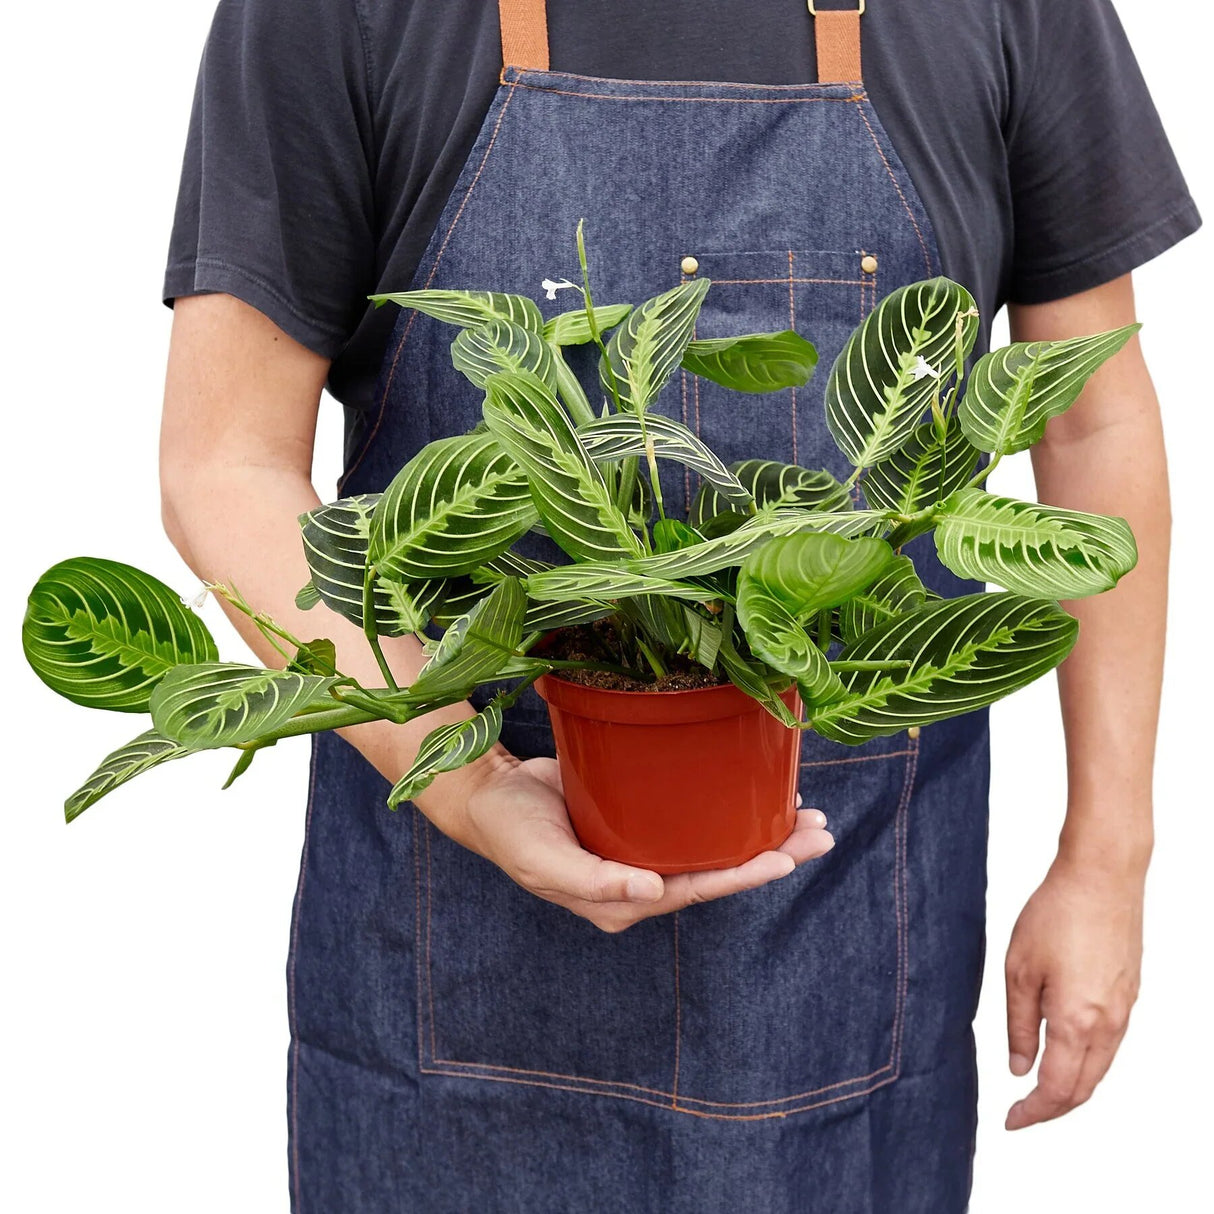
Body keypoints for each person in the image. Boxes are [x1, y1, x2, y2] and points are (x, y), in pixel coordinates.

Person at [159, 1, 1199, 1209]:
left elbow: (1090, 420)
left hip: (844, 956)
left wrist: (1105, 856)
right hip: (459, 974)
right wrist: (466, 780)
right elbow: (223, 460)